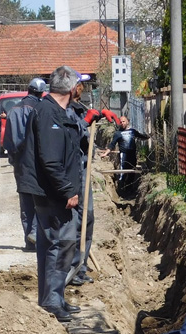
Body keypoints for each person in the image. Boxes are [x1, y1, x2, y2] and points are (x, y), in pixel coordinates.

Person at [16, 66, 84, 323]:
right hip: (53, 193)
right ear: (69, 87)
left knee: (49, 244)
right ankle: (52, 300)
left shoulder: (54, 111)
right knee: (61, 243)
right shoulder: (48, 114)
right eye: (78, 84)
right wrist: (68, 190)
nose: (80, 89)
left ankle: (53, 297)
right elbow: (50, 160)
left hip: (52, 190)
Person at [67, 79, 119, 286]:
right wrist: (85, 122)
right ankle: (73, 266)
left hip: (84, 167)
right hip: (74, 171)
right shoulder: (62, 110)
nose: (82, 89)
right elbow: (70, 132)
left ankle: (80, 265)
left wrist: (96, 113)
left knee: (87, 219)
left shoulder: (78, 108)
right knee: (77, 220)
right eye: (79, 86)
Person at [4, 78, 47, 252]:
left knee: (25, 202)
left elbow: (8, 141)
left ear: (28, 90)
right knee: (40, 200)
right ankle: (37, 236)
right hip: (36, 160)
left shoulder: (13, 110)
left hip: (20, 162)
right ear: (41, 93)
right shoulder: (40, 109)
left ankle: (30, 242)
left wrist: (14, 158)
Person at [103, 116, 149, 199]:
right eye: (120, 122)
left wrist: (149, 136)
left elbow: (141, 136)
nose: (122, 123)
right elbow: (112, 145)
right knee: (122, 173)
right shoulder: (118, 133)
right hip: (123, 155)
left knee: (132, 172)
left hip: (132, 154)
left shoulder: (132, 131)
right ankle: (120, 191)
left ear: (127, 121)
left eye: (124, 121)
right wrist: (105, 153)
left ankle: (129, 189)